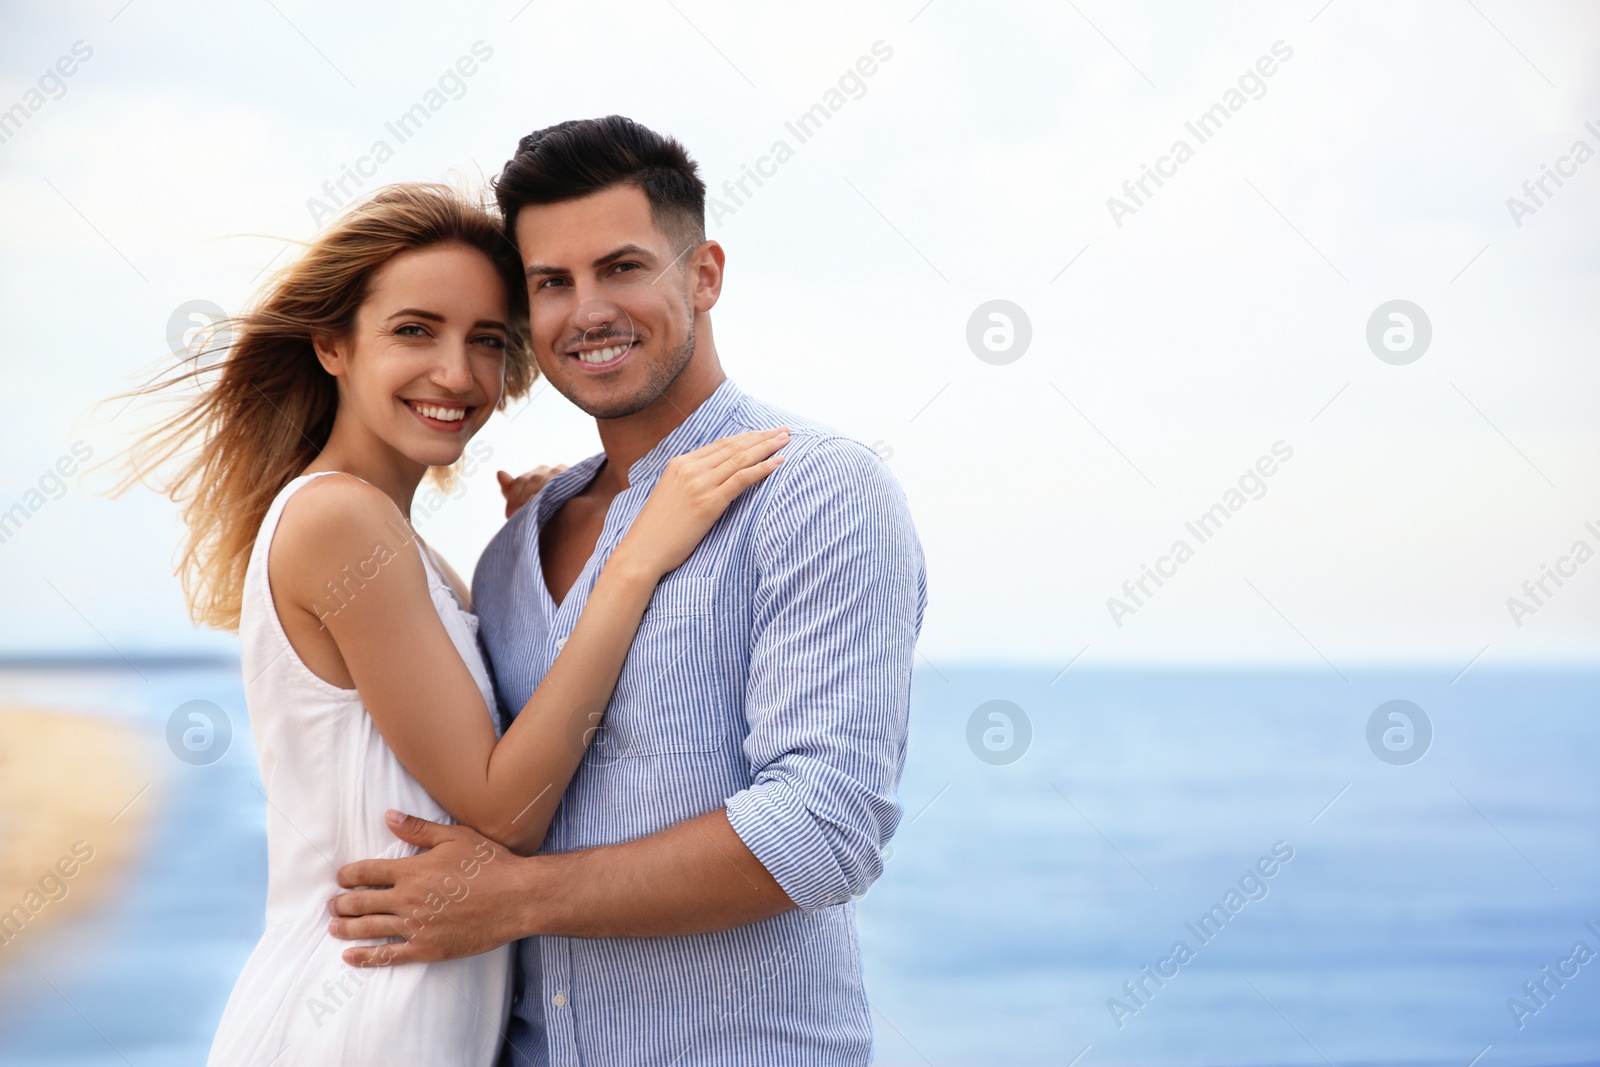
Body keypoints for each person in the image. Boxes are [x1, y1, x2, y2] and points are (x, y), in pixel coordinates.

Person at [115, 181, 786, 1066]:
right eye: (414, 330)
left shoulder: (403, 548)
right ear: (332, 344)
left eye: (486, 341)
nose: (458, 375)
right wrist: (633, 559)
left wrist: (538, 542)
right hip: (355, 1020)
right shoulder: (338, 523)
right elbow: (507, 809)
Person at [326, 116, 928, 1065]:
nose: (587, 310)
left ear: (705, 274)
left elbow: (825, 827)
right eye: (551, 283)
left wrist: (517, 899)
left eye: (622, 267)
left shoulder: (818, 490)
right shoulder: (510, 552)